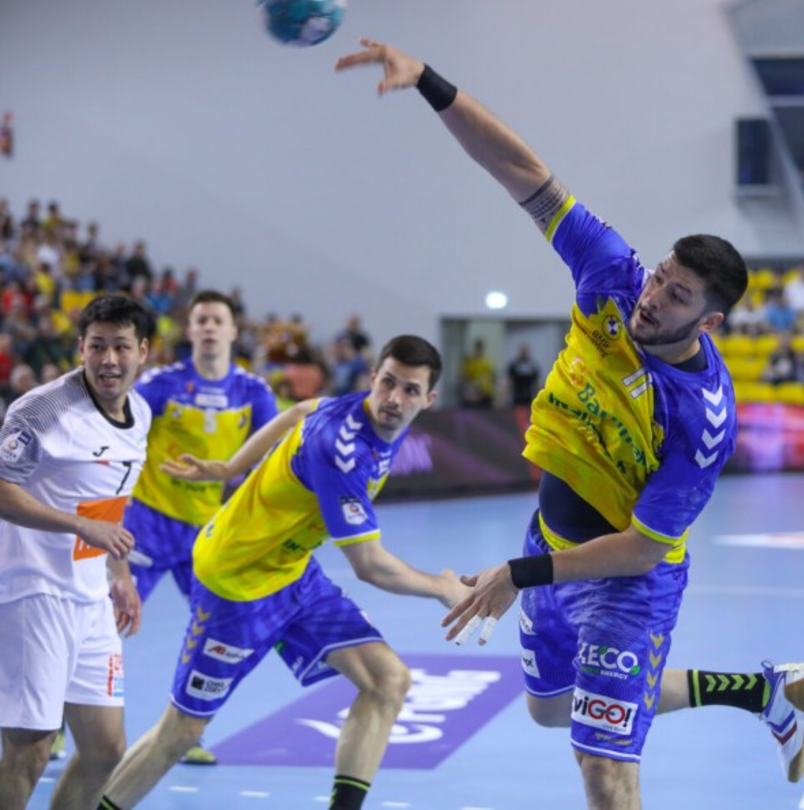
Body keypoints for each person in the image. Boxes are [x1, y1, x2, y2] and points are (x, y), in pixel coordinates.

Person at [335, 38, 804, 808]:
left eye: (677, 296)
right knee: (552, 708)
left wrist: (517, 576)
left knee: (602, 765)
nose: (653, 297)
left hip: (628, 580)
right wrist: (427, 80)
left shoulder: (701, 418)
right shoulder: (611, 275)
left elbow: (643, 546)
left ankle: (733, 701)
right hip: (549, 543)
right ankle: (765, 693)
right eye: (660, 277)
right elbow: (520, 171)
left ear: (710, 321)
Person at [98, 336, 469, 810]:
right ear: (373, 377)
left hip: (292, 572)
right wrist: (441, 587)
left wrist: (231, 467)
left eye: (410, 390)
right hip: (236, 582)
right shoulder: (342, 448)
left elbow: (298, 411)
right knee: (182, 731)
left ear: (429, 399)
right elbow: (370, 565)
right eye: (389, 383)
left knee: (387, 681)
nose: (395, 398)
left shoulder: (356, 414)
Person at [0, 295, 153, 810]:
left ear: (143, 351)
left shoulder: (140, 414)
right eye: (97, 346)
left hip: (89, 598)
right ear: (80, 348)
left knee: (105, 749)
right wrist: (78, 526)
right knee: (30, 749)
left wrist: (120, 574)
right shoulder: (43, 410)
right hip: (32, 592)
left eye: (121, 347)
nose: (109, 359)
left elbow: (109, 501)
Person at [122, 290, 278, 766]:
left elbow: (269, 466)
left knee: (215, 631)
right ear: (189, 330)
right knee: (104, 624)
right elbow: (121, 437)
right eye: (201, 320)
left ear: (233, 331)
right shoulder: (160, 384)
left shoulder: (253, 393)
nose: (209, 327)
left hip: (206, 534)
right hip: (146, 525)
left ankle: (184, 733)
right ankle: (57, 727)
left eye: (217, 320)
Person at [459, 337, 496, 408]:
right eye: (477, 348)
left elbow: (489, 378)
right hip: (472, 393)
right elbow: (463, 376)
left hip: (485, 393)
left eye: (480, 348)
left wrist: (481, 389)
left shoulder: (487, 363)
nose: (478, 350)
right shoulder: (469, 362)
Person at [506, 343, 541, 407]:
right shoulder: (514, 365)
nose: (523, 353)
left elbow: (536, 382)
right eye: (522, 351)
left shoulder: (532, 365)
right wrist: (507, 394)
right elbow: (509, 380)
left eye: (525, 351)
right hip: (517, 394)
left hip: (529, 394)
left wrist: (538, 394)